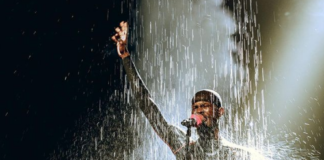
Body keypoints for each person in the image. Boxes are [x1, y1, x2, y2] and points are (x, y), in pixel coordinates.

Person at [111, 21, 265, 160]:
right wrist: (125, 57)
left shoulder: (238, 155)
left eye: (204, 105)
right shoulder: (184, 148)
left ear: (220, 111)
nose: (199, 110)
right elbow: (147, 106)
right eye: (195, 107)